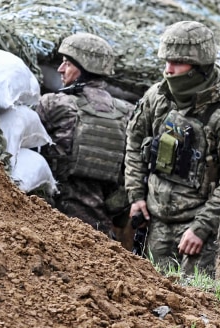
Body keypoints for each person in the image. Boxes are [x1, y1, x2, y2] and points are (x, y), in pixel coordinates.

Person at [124, 20, 220, 274]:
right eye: (166, 62)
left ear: (198, 68)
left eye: (177, 63)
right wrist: (136, 196)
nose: (168, 70)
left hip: (200, 233)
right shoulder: (157, 98)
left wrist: (201, 227)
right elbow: (134, 144)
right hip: (155, 224)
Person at [36, 32, 133, 241]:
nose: (60, 69)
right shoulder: (128, 113)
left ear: (84, 68)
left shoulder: (55, 104)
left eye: (67, 64)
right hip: (101, 233)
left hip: (54, 221)